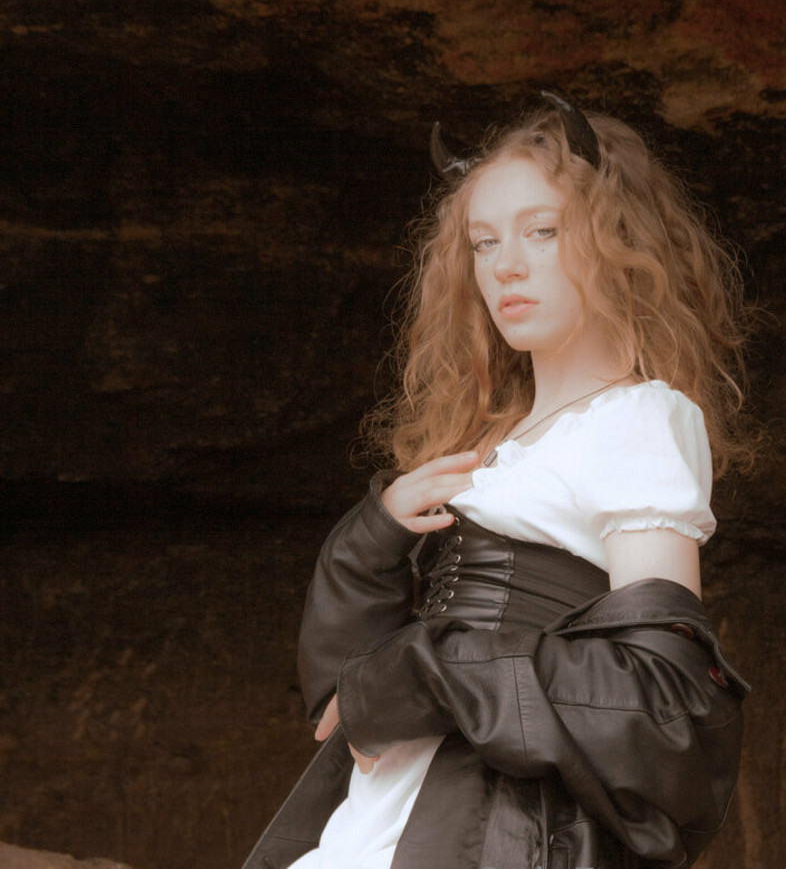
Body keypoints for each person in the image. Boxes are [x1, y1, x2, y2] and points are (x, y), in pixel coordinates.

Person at [243, 94, 753, 869]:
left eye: (542, 231)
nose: (505, 265)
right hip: (388, 803)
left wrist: (436, 668)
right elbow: (342, 701)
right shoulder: (491, 441)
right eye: (484, 242)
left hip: (502, 827)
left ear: (616, 240)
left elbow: (665, 700)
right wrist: (375, 538)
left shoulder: (639, 418)